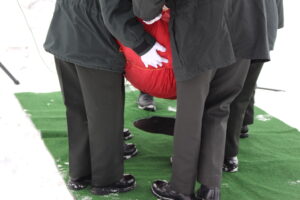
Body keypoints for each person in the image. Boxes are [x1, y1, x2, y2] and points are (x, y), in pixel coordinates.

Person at [132, 0, 275, 199]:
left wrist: (146, 12)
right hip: (245, 27)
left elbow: (146, 7)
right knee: (219, 108)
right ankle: (211, 187)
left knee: (191, 113)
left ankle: (181, 187)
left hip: (201, 29)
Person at [44, 0, 167, 195]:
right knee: (105, 116)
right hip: (95, 44)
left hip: (66, 33)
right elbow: (114, 11)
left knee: (79, 110)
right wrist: (142, 44)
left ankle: (80, 173)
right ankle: (106, 179)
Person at [224, 0, 284, 173]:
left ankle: (227, 153)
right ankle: (242, 124)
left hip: (240, 26)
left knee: (232, 92)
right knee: (246, 84)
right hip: (264, 21)